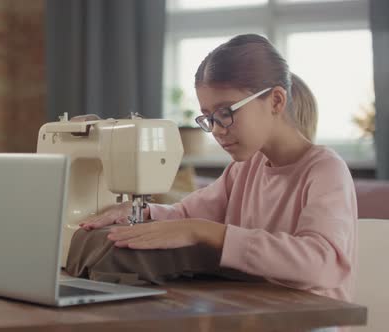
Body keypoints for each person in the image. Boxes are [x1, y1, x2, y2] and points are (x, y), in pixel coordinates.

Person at [79, 34, 357, 307]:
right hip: (257, 312)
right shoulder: (245, 169)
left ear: (275, 101)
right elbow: (186, 216)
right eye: (209, 118)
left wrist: (207, 232)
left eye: (226, 113)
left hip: (312, 321)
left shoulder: (324, 170)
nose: (216, 130)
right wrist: (144, 212)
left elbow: (321, 263)